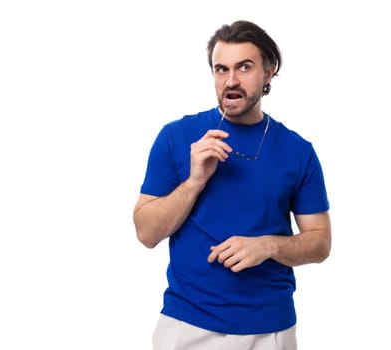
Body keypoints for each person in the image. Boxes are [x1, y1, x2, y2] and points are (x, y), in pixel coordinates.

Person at [133, 20, 331, 350]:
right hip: (185, 326)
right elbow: (146, 233)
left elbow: (320, 243)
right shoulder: (176, 137)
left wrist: (268, 246)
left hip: (270, 330)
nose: (231, 81)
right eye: (221, 69)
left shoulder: (298, 152)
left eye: (244, 68)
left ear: (268, 72)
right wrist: (194, 182)